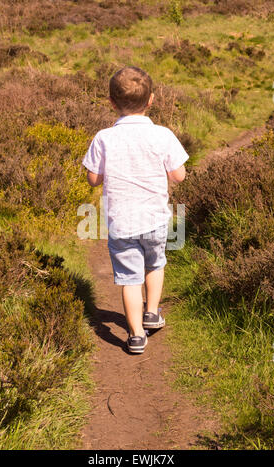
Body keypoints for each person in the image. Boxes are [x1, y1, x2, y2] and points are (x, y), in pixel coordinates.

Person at [82, 66, 189, 354]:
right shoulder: (163, 135)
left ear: (111, 102)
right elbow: (179, 175)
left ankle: (136, 336)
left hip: (121, 223)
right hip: (154, 219)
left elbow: (93, 179)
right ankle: (152, 312)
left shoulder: (104, 137)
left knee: (129, 279)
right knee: (156, 263)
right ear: (152, 99)